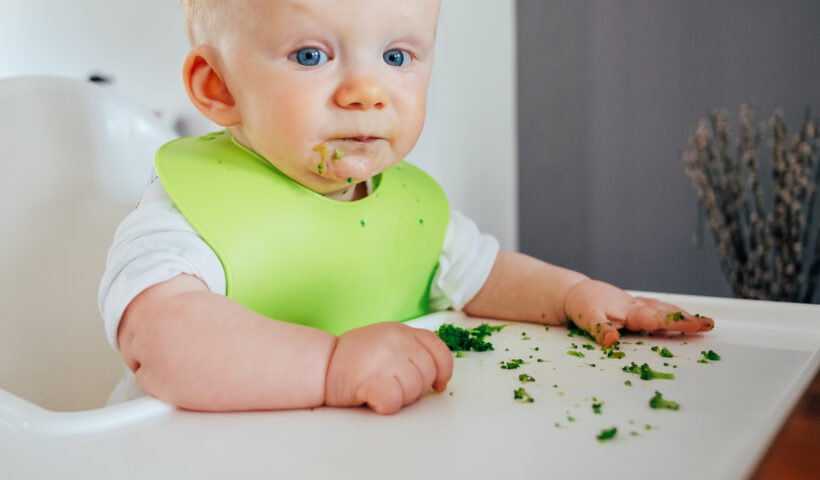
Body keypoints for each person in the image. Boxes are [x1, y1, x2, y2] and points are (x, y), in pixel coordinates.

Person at [99, 0, 714, 414]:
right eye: (311, 55)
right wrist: (333, 367)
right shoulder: (190, 210)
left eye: (396, 57)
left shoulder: (410, 206)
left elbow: (486, 274)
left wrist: (572, 294)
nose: (368, 93)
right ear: (220, 87)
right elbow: (160, 338)